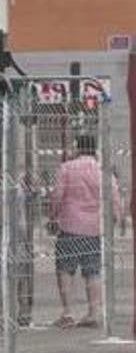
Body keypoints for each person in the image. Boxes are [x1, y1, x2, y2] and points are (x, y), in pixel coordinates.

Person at [49, 134, 120, 329]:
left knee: (65, 269)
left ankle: (68, 312)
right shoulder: (103, 170)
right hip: (94, 228)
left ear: (78, 147)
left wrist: (53, 215)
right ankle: (93, 313)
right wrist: (115, 217)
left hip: (69, 226)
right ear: (94, 149)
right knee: (93, 270)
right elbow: (114, 196)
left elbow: (57, 194)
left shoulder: (67, 168)